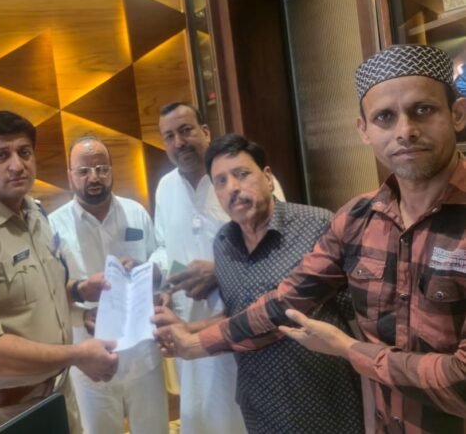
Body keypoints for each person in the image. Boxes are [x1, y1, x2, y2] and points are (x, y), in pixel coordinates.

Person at [155, 45, 466, 433]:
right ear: (363, 130)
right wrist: (196, 343)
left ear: (457, 114)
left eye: (423, 109)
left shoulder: (315, 222)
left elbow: (461, 382)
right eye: (384, 117)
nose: (405, 131)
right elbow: (284, 302)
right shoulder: (357, 220)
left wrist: (348, 350)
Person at [153, 133, 365, 433]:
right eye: (221, 181)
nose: (232, 188)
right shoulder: (224, 244)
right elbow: (240, 314)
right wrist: (188, 328)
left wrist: (195, 342)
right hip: (260, 404)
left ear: (267, 177)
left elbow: (350, 311)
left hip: (325, 397)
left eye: (242, 174)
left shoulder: (316, 225)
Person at [0, 111, 119, 434]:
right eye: (2, 155)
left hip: (57, 397)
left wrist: (78, 291)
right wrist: (75, 355)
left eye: (24, 152)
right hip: (4, 413)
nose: (17, 165)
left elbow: (36, 293)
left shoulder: (34, 213)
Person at [48, 135, 168, 434]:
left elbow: (160, 253)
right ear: (70, 175)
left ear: (112, 171)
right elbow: (48, 291)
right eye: (84, 171)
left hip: (142, 353)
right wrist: (80, 315)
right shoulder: (53, 227)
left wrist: (150, 270)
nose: (94, 177)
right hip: (90, 359)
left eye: (102, 168)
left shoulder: (135, 212)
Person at [149, 102, 247, 434]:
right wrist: (163, 281)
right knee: (201, 412)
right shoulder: (165, 187)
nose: (179, 142)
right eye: (169, 136)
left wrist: (218, 270)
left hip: (240, 319)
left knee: (241, 413)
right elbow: (166, 247)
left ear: (205, 131)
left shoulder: (238, 176)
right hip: (187, 322)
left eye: (186, 130)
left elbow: (274, 247)